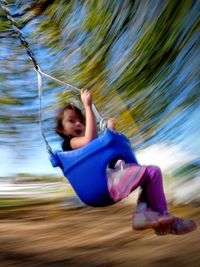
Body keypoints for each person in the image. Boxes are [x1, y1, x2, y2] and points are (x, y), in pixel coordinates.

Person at [55, 89, 197, 235]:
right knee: (151, 173)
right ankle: (153, 217)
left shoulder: (89, 146)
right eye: (72, 121)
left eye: (81, 121)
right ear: (62, 129)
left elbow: (97, 143)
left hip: (111, 181)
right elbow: (89, 140)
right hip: (101, 187)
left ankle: (159, 220)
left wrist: (110, 130)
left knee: (152, 174)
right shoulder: (69, 143)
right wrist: (88, 106)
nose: (78, 123)